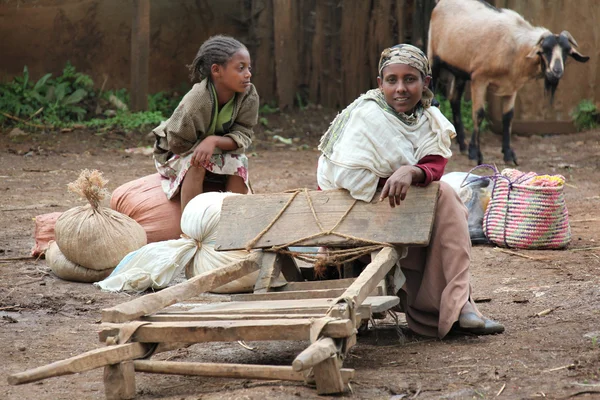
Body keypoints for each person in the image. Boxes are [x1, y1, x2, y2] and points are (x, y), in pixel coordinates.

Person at [316, 44, 504, 338]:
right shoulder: (365, 115)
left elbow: (435, 164)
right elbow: (339, 175)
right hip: (360, 218)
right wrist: (384, 182)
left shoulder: (430, 121)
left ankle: (461, 305)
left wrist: (411, 171)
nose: (400, 89)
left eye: (410, 79)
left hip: (408, 213)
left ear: (425, 83)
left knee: (445, 195)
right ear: (380, 84)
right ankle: (454, 306)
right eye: (392, 80)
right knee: (438, 195)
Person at [152, 35, 258, 212]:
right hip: (177, 153)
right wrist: (204, 147)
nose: (248, 74)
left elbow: (244, 134)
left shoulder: (248, 94)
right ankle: (192, 228)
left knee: (239, 162)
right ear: (216, 71)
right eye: (240, 68)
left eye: (248, 67)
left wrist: (214, 141)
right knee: (197, 162)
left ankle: (234, 219)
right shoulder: (197, 101)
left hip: (217, 150)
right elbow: (177, 143)